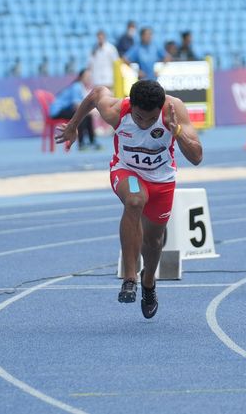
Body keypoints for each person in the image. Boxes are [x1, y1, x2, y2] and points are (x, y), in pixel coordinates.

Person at [55, 80, 202, 318]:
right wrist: (73, 126)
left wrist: (176, 131)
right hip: (126, 171)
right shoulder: (116, 110)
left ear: (160, 109)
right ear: (130, 106)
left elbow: (196, 156)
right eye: (138, 118)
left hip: (162, 180)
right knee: (134, 200)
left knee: (154, 242)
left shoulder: (174, 110)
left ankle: (148, 282)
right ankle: (130, 278)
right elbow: (95, 94)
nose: (143, 124)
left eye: (150, 119)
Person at [50, 69, 98, 150]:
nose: (89, 78)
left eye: (90, 77)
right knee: (82, 115)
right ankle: (82, 144)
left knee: (86, 115)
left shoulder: (81, 87)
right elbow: (77, 105)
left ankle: (92, 142)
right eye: (87, 76)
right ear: (81, 77)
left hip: (66, 109)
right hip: (57, 111)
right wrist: (92, 112)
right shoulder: (77, 86)